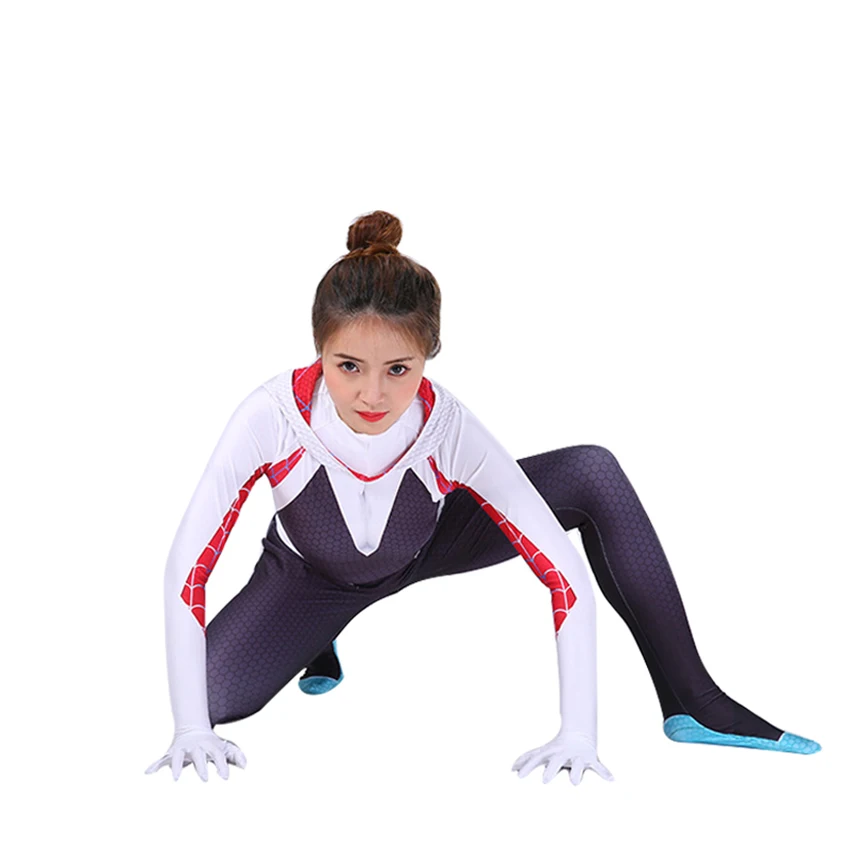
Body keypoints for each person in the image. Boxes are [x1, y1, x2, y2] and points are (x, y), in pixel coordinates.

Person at [145, 210, 820, 784]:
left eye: (398, 369)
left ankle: (693, 699)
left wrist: (578, 733)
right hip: (311, 576)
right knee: (210, 697)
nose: (373, 394)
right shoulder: (270, 415)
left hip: (429, 541)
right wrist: (188, 728)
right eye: (348, 366)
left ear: (428, 356)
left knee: (592, 471)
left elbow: (563, 572)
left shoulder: (448, 426)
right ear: (319, 350)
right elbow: (186, 567)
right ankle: (318, 635)